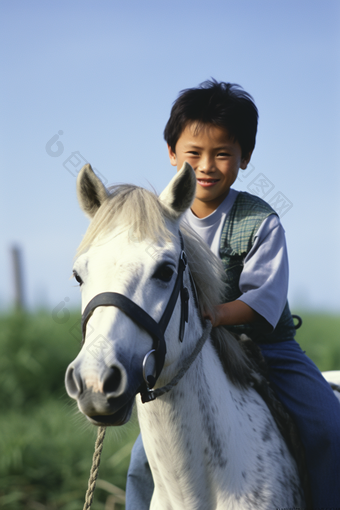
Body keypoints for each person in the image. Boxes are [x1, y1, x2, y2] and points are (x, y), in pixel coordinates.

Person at [126, 80, 340, 509]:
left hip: (267, 347)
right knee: (141, 461)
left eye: (223, 153)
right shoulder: (164, 221)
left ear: (244, 157)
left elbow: (265, 301)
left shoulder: (260, 220)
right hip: (190, 353)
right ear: (172, 153)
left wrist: (215, 315)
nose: (207, 166)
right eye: (193, 154)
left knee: (328, 431)